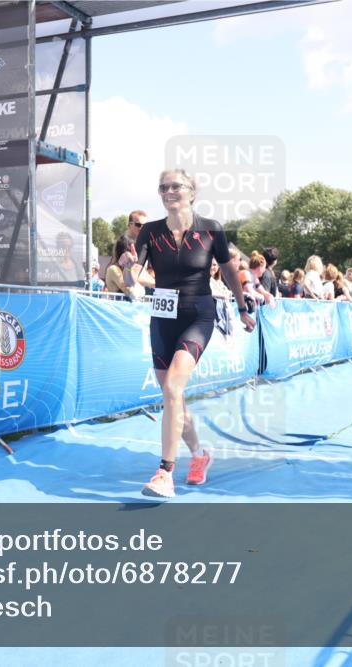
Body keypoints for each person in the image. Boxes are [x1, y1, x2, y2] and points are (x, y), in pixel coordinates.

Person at [127, 168, 254, 499]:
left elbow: (228, 270)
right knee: (174, 397)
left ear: (192, 192)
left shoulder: (211, 229)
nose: (168, 191)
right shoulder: (151, 232)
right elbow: (133, 278)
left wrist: (242, 308)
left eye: (176, 186)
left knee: (172, 386)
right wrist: (130, 270)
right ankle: (199, 455)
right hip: (163, 318)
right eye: (163, 187)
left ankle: (164, 473)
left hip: (198, 314)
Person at [104, 236, 144, 301]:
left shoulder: (128, 268)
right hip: (118, 309)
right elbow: (132, 293)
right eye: (132, 251)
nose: (135, 254)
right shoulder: (113, 269)